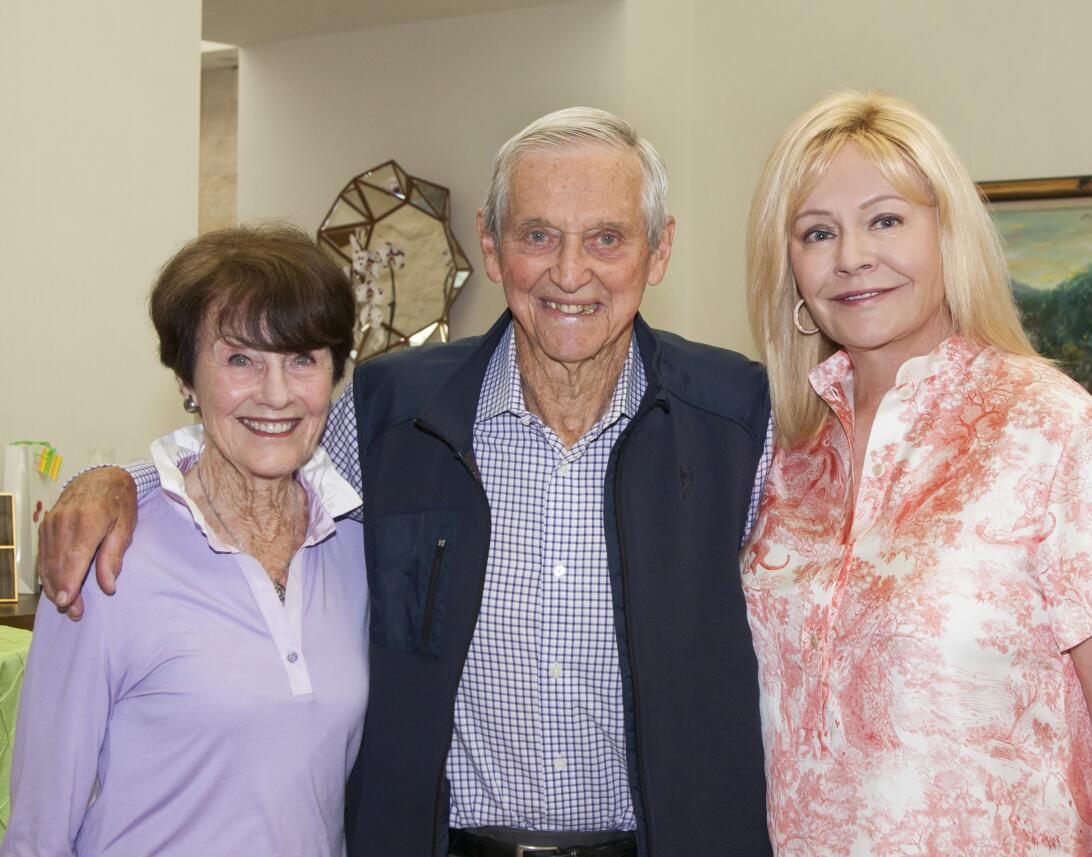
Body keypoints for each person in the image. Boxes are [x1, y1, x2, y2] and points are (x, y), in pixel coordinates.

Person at [38, 109, 774, 857]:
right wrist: (115, 480)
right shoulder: (389, 411)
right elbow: (258, 445)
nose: (570, 272)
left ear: (660, 249)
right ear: (491, 245)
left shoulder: (739, 420)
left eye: (607, 238)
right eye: (538, 235)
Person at [742, 90, 1092, 856]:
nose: (852, 257)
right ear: (792, 271)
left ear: (949, 233)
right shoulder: (784, 454)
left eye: (885, 219)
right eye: (818, 232)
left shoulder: (1060, 437)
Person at [3, 225, 367, 856]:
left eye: (302, 358)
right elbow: (39, 825)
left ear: (334, 373)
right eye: (240, 359)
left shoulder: (355, 548)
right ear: (185, 381)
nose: (276, 394)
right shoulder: (107, 560)